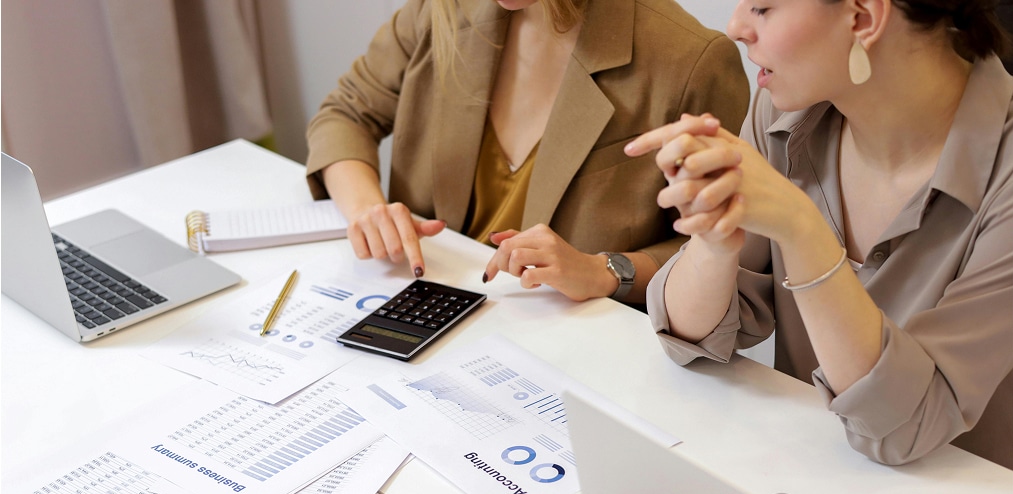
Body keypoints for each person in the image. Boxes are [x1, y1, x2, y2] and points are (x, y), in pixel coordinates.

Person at [627, 0, 1013, 467]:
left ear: (863, 17)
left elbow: (903, 429)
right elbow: (690, 338)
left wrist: (802, 230)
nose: (734, 28)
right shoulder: (783, 112)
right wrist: (712, 240)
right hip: (804, 482)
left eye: (763, 7)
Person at [305, 0, 749, 305]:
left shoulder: (691, 60)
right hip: (421, 310)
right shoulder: (439, 10)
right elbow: (345, 115)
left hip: (575, 360)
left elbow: (724, 248)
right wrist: (368, 210)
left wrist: (605, 271)